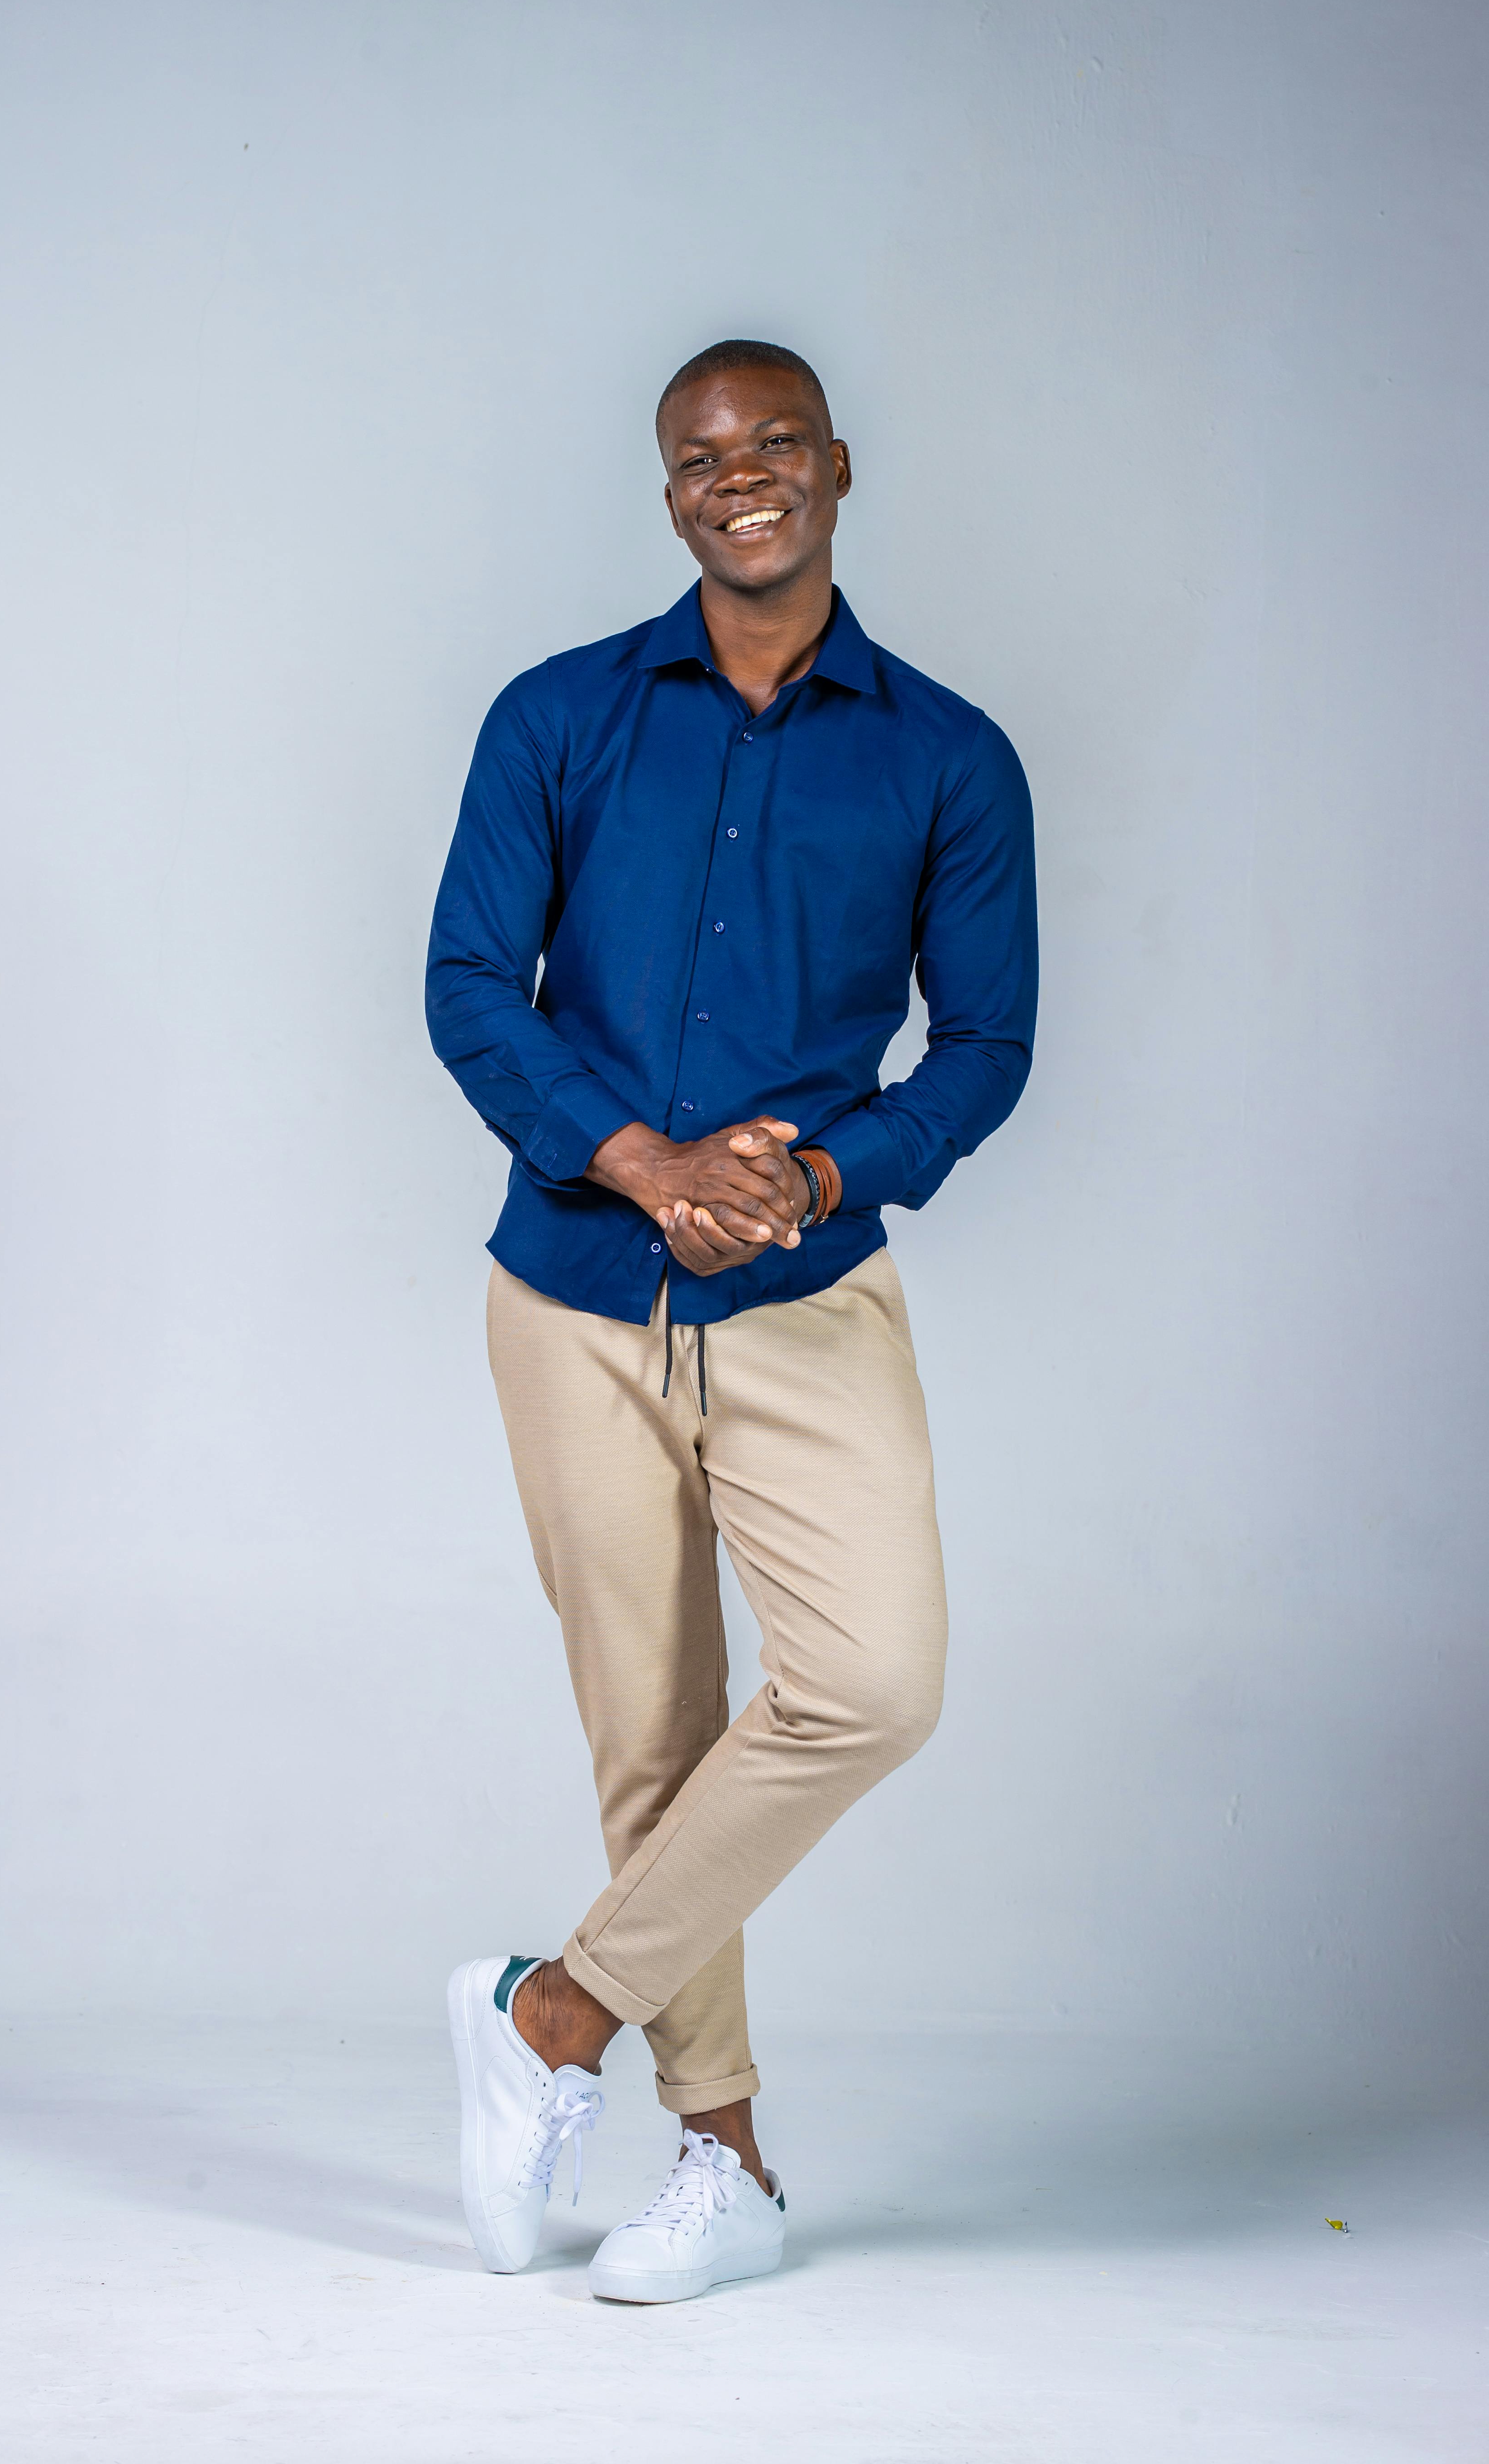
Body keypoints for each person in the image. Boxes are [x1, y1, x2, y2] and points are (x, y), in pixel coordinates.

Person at [425, 337, 1037, 2302]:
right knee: (658, 1741)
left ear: (839, 468)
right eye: (703, 457)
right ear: (667, 490)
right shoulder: (556, 717)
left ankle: (548, 2021)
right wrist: (637, 1158)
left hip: (806, 1298)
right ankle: (728, 2168)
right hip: (575, 1297)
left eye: (776, 446)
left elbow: (994, 1044)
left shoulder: (948, 755)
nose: (741, 478)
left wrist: (826, 1172)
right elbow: (466, 986)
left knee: (874, 1681)